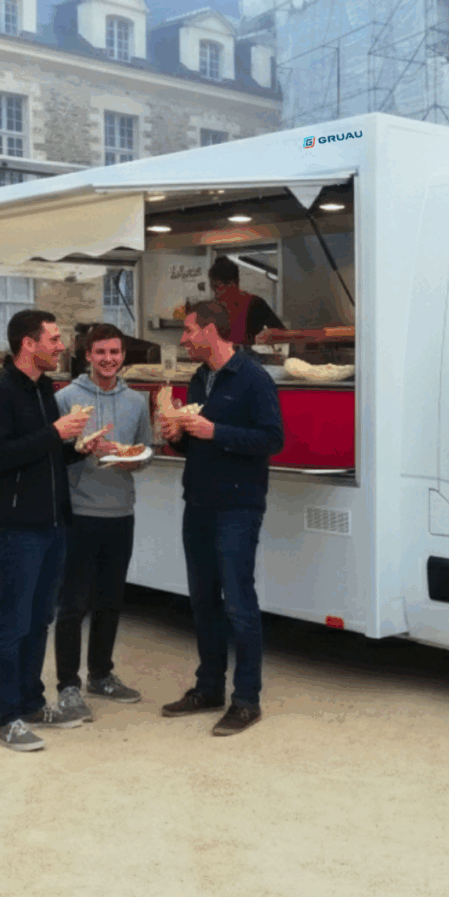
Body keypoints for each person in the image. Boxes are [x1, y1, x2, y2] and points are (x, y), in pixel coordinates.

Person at [0, 310, 111, 752]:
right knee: (13, 622)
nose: (61, 346)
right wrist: (54, 433)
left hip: (53, 521)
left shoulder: (44, 389)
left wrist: (78, 449)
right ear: (28, 344)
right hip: (15, 525)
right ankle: (6, 718)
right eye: (53, 339)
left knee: (39, 619)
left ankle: (32, 704)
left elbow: (45, 455)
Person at [160, 301, 284, 736]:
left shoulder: (253, 378)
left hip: (238, 506)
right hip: (198, 502)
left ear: (210, 330)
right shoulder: (199, 378)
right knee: (203, 601)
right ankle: (208, 688)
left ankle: (246, 701)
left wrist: (216, 432)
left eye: (188, 331)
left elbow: (273, 439)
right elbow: (196, 443)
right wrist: (178, 436)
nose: (183, 339)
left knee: (238, 604)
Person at [52, 322, 154, 721]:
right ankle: (67, 687)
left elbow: (145, 453)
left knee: (110, 601)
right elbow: (53, 455)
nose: (108, 359)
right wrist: (82, 450)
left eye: (114, 352)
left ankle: (101, 675)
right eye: (100, 353)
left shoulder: (136, 402)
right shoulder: (66, 398)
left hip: (121, 512)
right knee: (72, 604)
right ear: (87, 356)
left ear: (123, 355)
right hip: (78, 514)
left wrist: (131, 458)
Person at [207, 256, 284, 348]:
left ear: (231, 285)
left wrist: (266, 339)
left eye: (217, 288)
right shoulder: (214, 309)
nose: (215, 295)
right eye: (213, 289)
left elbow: (282, 334)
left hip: (249, 356)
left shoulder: (255, 304)